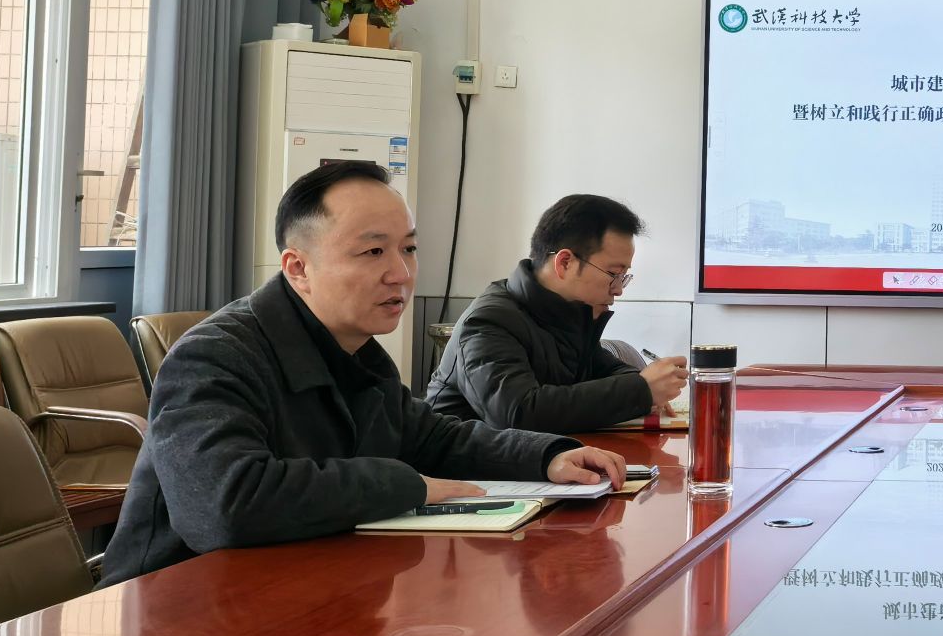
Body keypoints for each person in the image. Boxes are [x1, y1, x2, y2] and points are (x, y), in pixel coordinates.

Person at [101, 162, 628, 585]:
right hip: (179, 612)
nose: (401, 273)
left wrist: (546, 455)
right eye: (373, 251)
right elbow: (224, 505)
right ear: (298, 269)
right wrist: (406, 485)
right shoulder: (214, 357)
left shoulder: (357, 351)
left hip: (302, 590)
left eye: (409, 249)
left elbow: (434, 437)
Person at [426, 194, 688, 430]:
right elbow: (519, 413)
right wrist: (640, 391)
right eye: (613, 274)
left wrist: (645, 389)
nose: (618, 289)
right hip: (465, 466)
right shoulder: (488, 322)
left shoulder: (569, 315)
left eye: (623, 277)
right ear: (564, 262)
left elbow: (610, 371)